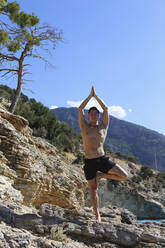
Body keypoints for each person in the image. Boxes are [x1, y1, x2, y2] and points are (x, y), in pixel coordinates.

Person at [78, 86, 128, 222]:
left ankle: (102, 175)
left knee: (124, 175)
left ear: (98, 116)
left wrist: (96, 97)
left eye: (96, 114)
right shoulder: (84, 127)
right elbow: (79, 109)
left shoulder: (103, 126)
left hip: (102, 159)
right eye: (91, 114)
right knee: (93, 190)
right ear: (88, 116)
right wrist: (89, 96)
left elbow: (106, 109)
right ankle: (97, 215)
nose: (94, 115)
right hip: (89, 162)